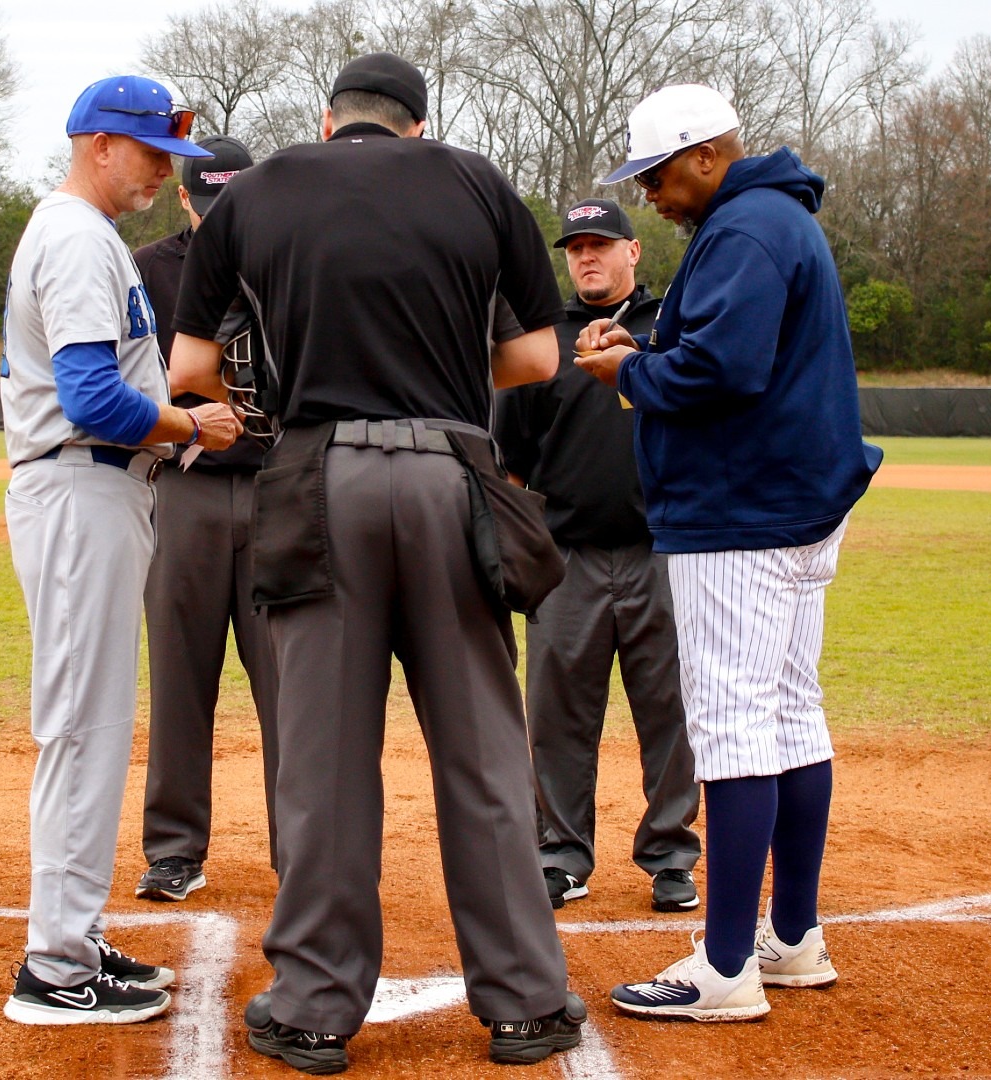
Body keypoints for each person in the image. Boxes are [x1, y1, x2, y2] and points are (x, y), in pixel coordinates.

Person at [167, 52, 585, 1073]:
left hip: (318, 479)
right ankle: (528, 1001)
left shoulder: (256, 190)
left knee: (323, 760)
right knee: (485, 753)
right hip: (453, 473)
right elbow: (536, 359)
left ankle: (312, 1005)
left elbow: (188, 371)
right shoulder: (477, 179)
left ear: (328, 120)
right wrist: (440, 362)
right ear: (414, 125)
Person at [573, 85, 881, 1022]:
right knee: (791, 716)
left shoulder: (745, 227)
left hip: (739, 513)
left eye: (657, 175)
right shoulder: (772, 219)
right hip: (789, 507)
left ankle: (725, 966)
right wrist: (655, 341)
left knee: (738, 728)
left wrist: (629, 370)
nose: (653, 197)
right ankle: (790, 939)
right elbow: (724, 346)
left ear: (705, 154)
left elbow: (725, 371)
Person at [0, 74, 243, 1026]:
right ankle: (54, 969)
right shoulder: (71, 234)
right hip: (79, 487)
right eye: (150, 152)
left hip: (99, 493)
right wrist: (189, 427)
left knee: (94, 725)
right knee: (82, 731)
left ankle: (72, 934)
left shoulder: (84, 234)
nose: (160, 172)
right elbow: (94, 399)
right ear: (100, 143)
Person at [495, 198, 701, 915]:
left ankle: (671, 854)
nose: (587, 257)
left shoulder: (669, 333)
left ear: (633, 251)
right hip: (565, 559)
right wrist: (516, 558)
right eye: (576, 247)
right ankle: (561, 854)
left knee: (671, 713)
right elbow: (511, 463)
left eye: (601, 244)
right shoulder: (542, 342)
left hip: (662, 553)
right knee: (556, 719)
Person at [130, 134, 280, 903]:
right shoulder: (149, 269)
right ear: (187, 198)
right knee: (181, 677)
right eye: (209, 202)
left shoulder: (288, 256)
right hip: (184, 487)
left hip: (276, 489)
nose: (224, 217)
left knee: (290, 683)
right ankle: (174, 850)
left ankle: (304, 848)